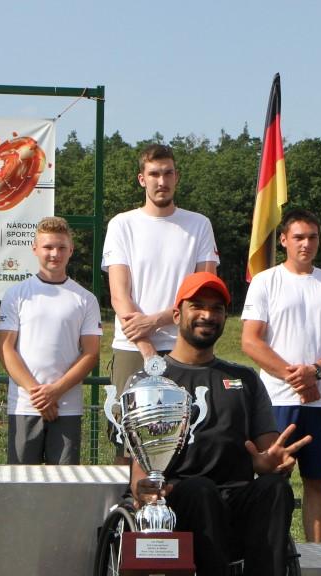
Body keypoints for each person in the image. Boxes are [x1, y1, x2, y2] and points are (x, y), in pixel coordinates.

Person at [131, 272, 310, 576]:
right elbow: (138, 464)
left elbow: (266, 451)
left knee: (274, 491)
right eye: (198, 306)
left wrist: (273, 462)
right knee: (202, 492)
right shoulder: (150, 380)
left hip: (236, 494)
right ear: (177, 313)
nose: (207, 316)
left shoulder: (243, 379)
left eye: (216, 309)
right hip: (181, 498)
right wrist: (143, 489)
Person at [241, 209, 321, 543]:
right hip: (276, 400)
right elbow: (250, 340)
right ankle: (269, 547)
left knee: (316, 481)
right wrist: (296, 378)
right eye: (299, 237)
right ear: (284, 240)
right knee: (275, 477)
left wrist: (315, 371)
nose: (306, 244)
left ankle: (316, 553)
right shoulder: (266, 281)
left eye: (312, 237)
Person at [102, 143, 219, 462]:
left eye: (167, 173)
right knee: (129, 446)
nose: (161, 181)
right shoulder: (122, 225)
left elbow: (204, 294)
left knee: (187, 441)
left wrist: (155, 321)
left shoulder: (199, 225)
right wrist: (147, 349)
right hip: (132, 350)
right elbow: (119, 296)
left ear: (176, 177)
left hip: (186, 347)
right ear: (142, 179)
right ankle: (128, 510)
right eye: (154, 174)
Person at [0, 217, 101, 465]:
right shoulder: (16, 294)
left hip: (67, 406)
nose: (55, 254)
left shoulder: (85, 299)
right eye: (48, 247)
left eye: (61, 248)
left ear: (71, 250)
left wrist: (55, 391)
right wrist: (39, 396)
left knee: (63, 487)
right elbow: (5, 349)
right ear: (35, 249)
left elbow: (91, 354)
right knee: (21, 486)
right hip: (24, 405)